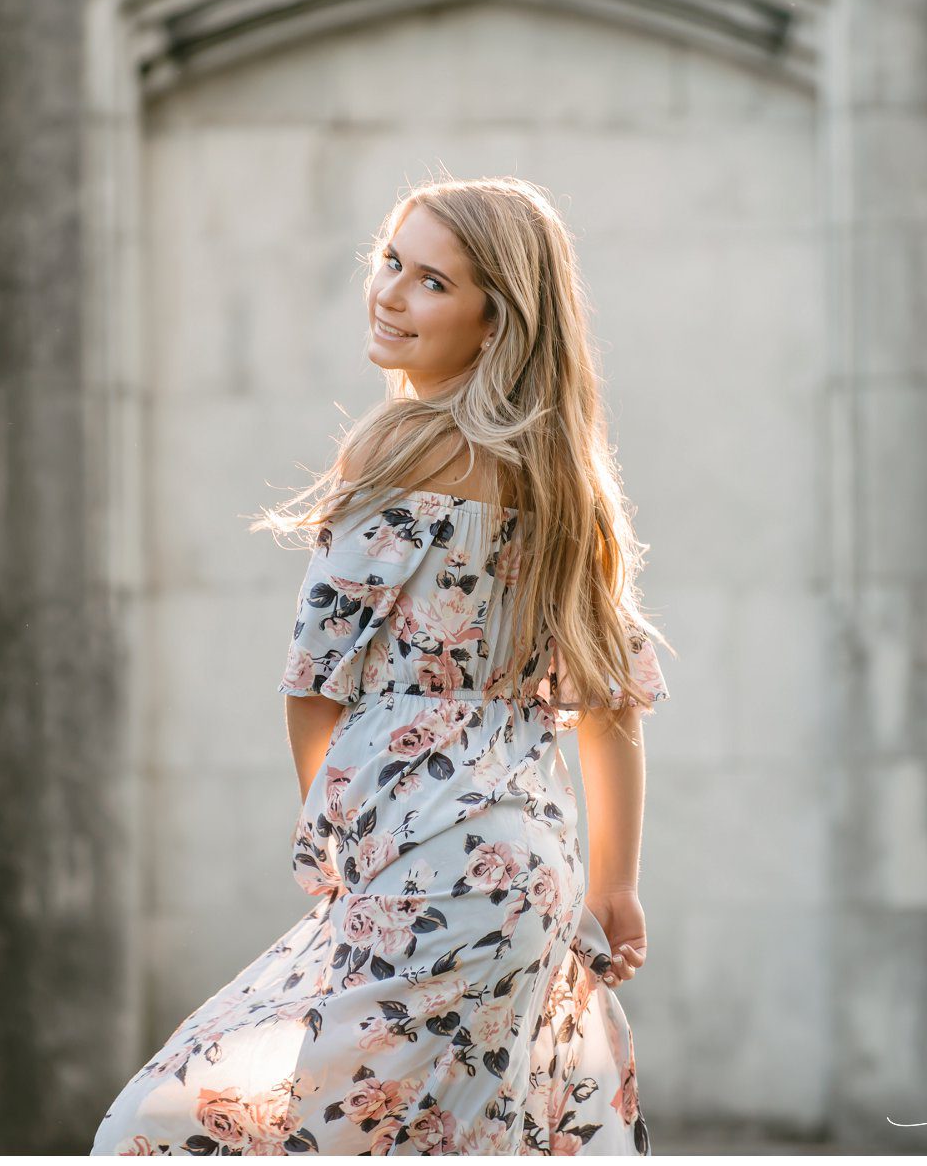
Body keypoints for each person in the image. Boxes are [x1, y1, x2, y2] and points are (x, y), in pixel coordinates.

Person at [93, 177, 664, 1157]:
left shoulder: (399, 449)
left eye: (430, 280)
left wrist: (341, 836)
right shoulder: (569, 484)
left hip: (423, 862)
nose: (389, 293)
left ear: (495, 323)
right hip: (533, 875)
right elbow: (613, 703)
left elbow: (315, 683)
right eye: (388, 261)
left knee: (161, 1131)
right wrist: (614, 886)